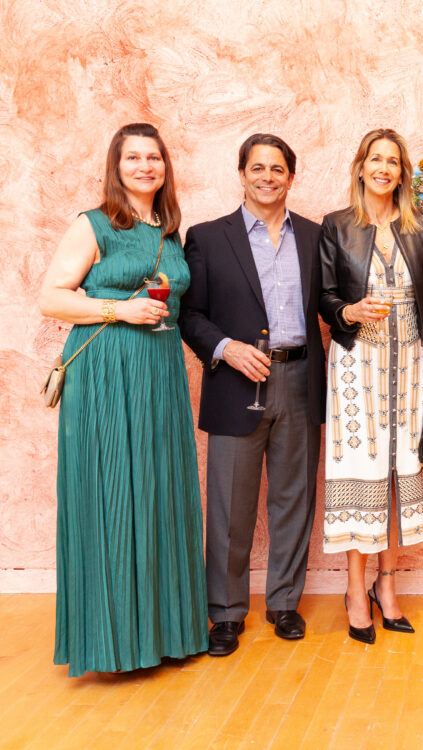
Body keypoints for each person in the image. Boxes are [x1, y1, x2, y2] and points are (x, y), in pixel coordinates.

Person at [39, 122, 208, 676]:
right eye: (133, 158)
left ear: (165, 167)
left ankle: (163, 635)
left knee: (158, 494)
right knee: (113, 492)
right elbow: (52, 298)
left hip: (159, 373)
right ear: (117, 167)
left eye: (153, 158)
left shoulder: (170, 229)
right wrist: (119, 310)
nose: (144, 167)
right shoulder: (94, 224)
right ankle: (112, 644)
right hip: (107, 371)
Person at [179, 134, 324, 656]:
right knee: (229, 506)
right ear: (241, 174)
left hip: (301, 381)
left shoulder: (313, 236)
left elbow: (330, 305)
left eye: (278, 169)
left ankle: (285, 603)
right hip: (236, 381)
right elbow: (189, 314)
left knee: (294, 499)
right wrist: (226, 347)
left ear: (291, 177)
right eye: (257, 167)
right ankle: (224, 614)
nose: (268, 177)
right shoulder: (207, 237)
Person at [319, 128, 423, 644]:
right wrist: (348, 312)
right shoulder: (336, 226)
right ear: (360, 167)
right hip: (357, 363)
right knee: (360, 468)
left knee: (403, 468)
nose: (384, 168)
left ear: (402, 172)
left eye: (393, 162)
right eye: (375, 159)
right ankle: (355, 589)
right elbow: (326, 297)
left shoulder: (419, 227)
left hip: (408, 362)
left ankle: (387, 585)